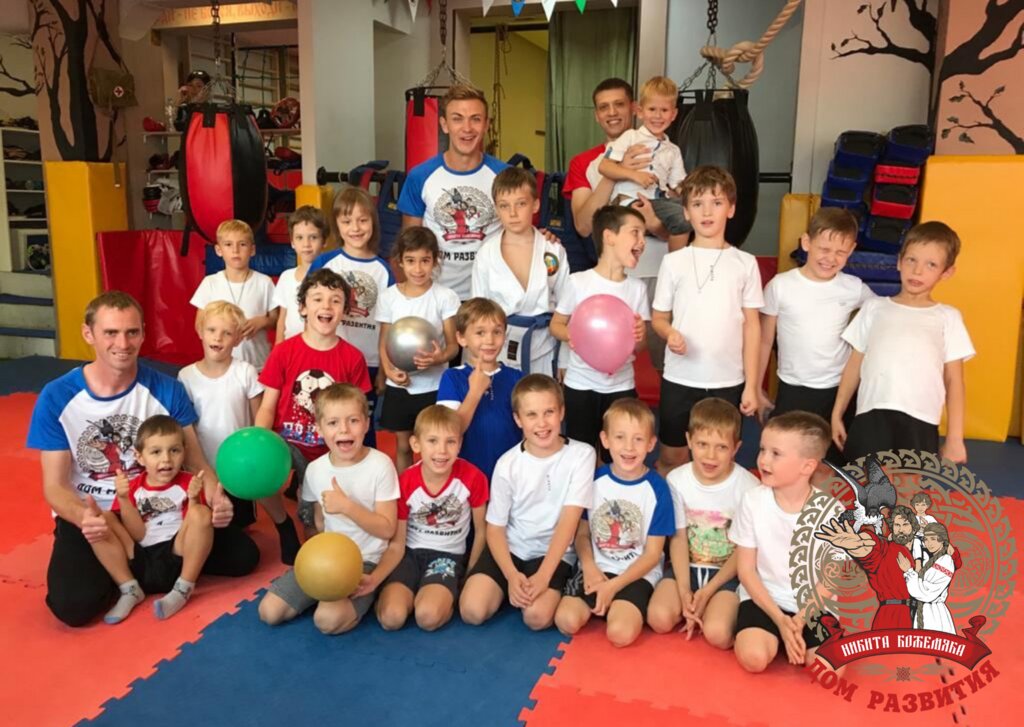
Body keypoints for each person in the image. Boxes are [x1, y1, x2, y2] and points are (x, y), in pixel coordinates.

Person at [27, 291, 256, 627]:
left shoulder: (166, 389)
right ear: (88, 334)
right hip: (100, 516)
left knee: (244, 557)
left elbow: (196, 462)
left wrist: (216, 496)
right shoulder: (57, 396)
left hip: (162, 505)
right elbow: (55, 487)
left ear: (144, 333)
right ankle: (138, 572)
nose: (123, 343)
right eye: (111, 333)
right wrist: (82, 517)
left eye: (132, 332)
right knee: (73, 607)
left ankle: (142, 572)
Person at [258, 384, 399, 635]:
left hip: (364, 560)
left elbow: (388, 529)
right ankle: (326, 596)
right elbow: (318, 525)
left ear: (366, 424)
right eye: (333, 423)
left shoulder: (381, 465)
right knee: (269, 612)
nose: (344, 429)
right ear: (320, 429)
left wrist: (347, 507)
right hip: (326, 557)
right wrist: (312, 564)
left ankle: (365, 596)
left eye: (353, 420)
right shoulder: (315, 469)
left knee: (327, 620)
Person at [459, 374, 595, 630]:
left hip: (551, 553)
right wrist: (511, 575)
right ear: (518, 419)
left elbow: (569, 522)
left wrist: (543, 576)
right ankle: (510, 589)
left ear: (561, 412)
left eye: (549, 412)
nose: (542, 423)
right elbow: (495, 528)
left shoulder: (582, 455)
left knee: (536, 618)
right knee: (472, 611)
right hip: (512, 548)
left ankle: (548, 586)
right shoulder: (507, 464)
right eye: (531, 415)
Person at [832, 222, 975, 464]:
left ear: (946, 272)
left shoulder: (947, 317)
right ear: (899, 262)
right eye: (911, 260)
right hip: (871, 415)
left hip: (920, 420)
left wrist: (955, 437)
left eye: (931, 265)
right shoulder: (874, 308)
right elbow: (854, 365)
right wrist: (838, 413)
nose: (917, 271)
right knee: (865, 482)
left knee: (908, 485)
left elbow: (954, 381)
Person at [651, 166, 763, 475]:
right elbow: (658, 318)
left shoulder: (745, 263)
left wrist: (752, 385)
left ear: (731, 208)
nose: (707, 212)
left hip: (727, 380)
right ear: (686, 212)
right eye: (698, 204)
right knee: (672, 457)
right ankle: (669, 507)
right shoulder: (673, 262)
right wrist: (670, 333)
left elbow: (752, 326)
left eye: (716, 202)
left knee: (719, 459)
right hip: (680, 378)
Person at [256, 269, 372, 561]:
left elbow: (358, 414)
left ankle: (306, 507)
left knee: (316, 526)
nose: (326, 306)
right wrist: (260, 442)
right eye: (317, 298)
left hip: (328, 450)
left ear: (344, 311)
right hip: (288, 443)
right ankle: (283, 523)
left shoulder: (352, 357)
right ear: (303, 307)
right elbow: (268, 406)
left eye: (335, 300)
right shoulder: (284, 352)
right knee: (256, 468)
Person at [564, 77, 676, 371]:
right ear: (596, 115)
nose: (612, 112)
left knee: (662, 361)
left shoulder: (665, 151)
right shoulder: (585, 162)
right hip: (610, 276)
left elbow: (676, 223)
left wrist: (653, 223)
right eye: (604, 107)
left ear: (634, 108)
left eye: (619, 104)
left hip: (656, 270)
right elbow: (584, 226)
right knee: (608, 358)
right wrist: (617, 171)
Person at [756, 208, 874, 462]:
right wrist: (756, 387)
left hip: (836, 390)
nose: (831, 258)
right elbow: (764, 341)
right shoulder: (780, 286)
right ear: (806, 242)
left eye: (840, 252)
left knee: (832, 461)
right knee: (787, 458)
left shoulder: (853, 288)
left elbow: (883, 313)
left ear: (851, 250)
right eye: (824, 249)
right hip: (792, 387)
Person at [555, 398, 673, 647]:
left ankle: (616, 604)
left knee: (620, 634)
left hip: (636, 573)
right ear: (605, 440)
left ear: (651, 443)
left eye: (638, 439)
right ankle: (604, 602)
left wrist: (614, 586)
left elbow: (653, 554)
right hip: (597, 567)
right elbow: (582, 535)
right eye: (620, 437)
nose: (628, 447)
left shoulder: (658, 489)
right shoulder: (594, 481)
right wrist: (589, 566)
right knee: (565, 620)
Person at [730, 412, 842, 673]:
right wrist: (780, 620)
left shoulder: (831, 511)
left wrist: (800, 620)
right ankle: (772, 635)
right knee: (754, 658)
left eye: (776, 454)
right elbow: (746, 570)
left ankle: (793, 637)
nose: (763, 460)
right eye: (763, 450)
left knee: (830, 670)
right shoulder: (752, 501)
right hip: (764, 598)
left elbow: (831, 579)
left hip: (813, 606)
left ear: (807, 466)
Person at [647, 398, 760, 647]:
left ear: (736, 448)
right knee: (658, 618)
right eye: (702, 444)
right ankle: (692, 607)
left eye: (721, 447)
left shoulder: (749, 486)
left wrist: (708, 592)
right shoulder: (677, 480)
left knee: (717, 633)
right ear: (689, 440)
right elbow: (678, 538)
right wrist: (685, 591)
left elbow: (745, 550)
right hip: (685, 568)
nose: (710, 455)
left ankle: (714, 609)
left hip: (727, 575)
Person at [374, 405, 489, 631]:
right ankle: (400, 594)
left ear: (460, 444)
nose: (442, 451)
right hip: (409, 555)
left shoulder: (473, 477)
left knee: (427, 617)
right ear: (416, 444)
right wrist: (377, 578)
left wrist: (469, 574)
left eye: (450, 442)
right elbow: (397, 543)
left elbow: (482, 532)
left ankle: (440, 595)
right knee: (391, 618)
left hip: (447, 556)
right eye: (433, 441)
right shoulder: (406, 481)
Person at [550, 206, 649, 458]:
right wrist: (574, 335)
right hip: (581, 385)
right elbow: (556, 325)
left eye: (644, 235)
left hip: (622, 385)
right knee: (581, 454)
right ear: (609, 236)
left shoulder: (637, 288)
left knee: (616, 455)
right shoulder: (578, 282)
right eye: (635, 232)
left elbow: (639, 346)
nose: (642, 241)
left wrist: (639, 336)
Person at [95, 416, 214, 623]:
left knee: (202, 513)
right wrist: (123, 498)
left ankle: (184, 588)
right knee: (102, 520)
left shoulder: (189, 482)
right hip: (139, 557)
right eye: (156, 452)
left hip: (176, 554)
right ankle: (129, 589)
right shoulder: (133, 486)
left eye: (174, 450)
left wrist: (195, 499)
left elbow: (195, 528)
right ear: (139, 457)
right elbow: (137, 534)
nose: (166, 459)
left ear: (184, 452)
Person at [397, 84, 506, 300]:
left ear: (486, 125)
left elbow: (521, 232)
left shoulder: (504, 176)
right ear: (444, 125)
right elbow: (409, 244)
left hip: (490, 297)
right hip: (436, 296)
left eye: (475, 119)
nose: (467, 128)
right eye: (457, 119)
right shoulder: (420, 176)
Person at [310, 186, 395, 437]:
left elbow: (387, 324)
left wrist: (383, 368)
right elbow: (310, 310)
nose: (355, 228)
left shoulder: (383, 270)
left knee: (361, 429)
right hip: (329, 359)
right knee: (329, 427)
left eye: (362, 220)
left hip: (368, 362)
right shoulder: (326, 263)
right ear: (336, 225)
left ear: (373, 222)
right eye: (347, 221)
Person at [376, 227, 460, 472]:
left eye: (425, 260)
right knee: (403, 446)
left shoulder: (445, 296)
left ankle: (433, 488)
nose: (418, 268)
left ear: (435, 260)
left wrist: (438, 358)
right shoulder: (389, 297)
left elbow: (453, 346)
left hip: (434, 386)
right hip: (400, 386)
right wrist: (389, 371)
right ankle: (405, 490)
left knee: (434, 447)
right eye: (411, 260)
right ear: (400, 261)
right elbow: (384, 342)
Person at [471, 166, 569, 376]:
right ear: (496, 209)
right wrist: (479, 361)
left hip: (545, 347)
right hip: (498, 348)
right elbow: (477, 312)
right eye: (504, 206)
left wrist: (565, 357)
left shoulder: (553, 250)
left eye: (521, 204)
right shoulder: (486, 253)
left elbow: (567, 306)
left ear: (535, 205)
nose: (513, 213)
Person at [178, 301, 264, 528]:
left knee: (239, 524)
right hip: (202, 465)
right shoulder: (186, 376)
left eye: (227, 333)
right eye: (212, 330)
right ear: (200, 332)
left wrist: (255, 456)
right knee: (206, 521)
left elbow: (259, 420)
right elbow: (186, 427)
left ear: (238, 339)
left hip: (239, 466)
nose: (218, 337)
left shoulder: (245, 372)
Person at [437, 298, 524, 479]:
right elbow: (448, 432)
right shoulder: (452, 377)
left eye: (497, 332)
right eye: (480, 332)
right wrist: (474, 393)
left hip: (511, 474)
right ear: (461, 338)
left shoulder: (517, 377)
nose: (490, 340)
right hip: (467, 475)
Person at [597, 76, 688, 242]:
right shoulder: (630, 137)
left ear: (674, 114)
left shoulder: (673, 150)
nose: (658, 116)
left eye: (664, 110)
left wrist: (695, 197)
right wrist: (635, 175)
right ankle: (678, 259)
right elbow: (604, 166)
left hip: (659, 201)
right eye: (652, 109)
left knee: (693, 211)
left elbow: (678, 184)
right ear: (640, 111)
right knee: (682, 216)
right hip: (632, 201)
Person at [190, 219, 278, 371]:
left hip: (257, 364)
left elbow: (276, 320)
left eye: (242, 244)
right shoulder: (210, 283)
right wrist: (220, 333)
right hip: (221, 366)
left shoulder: (264, 282)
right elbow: (200, 324)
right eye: (228, 244)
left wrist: (262, 322)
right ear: (218, 250)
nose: (235, 250)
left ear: (252, 250)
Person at [275, 206, 328, 343]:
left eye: (313, 237)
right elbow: (282, 319)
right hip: (290, 347)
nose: (306, 244)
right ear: (292, 242)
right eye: (299, 238)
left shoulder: (331, 278)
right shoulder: (286, 277)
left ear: (324, 241)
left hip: (320, 346)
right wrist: (278, 349)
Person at [897, 522, 957, 633]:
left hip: (935, 616)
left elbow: (927, 592)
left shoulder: (945, 561)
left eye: (933, 539)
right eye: (926, 539)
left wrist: (909, 571)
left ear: (942, 540)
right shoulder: (930, 561)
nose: (929, 543)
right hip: (923, 612)